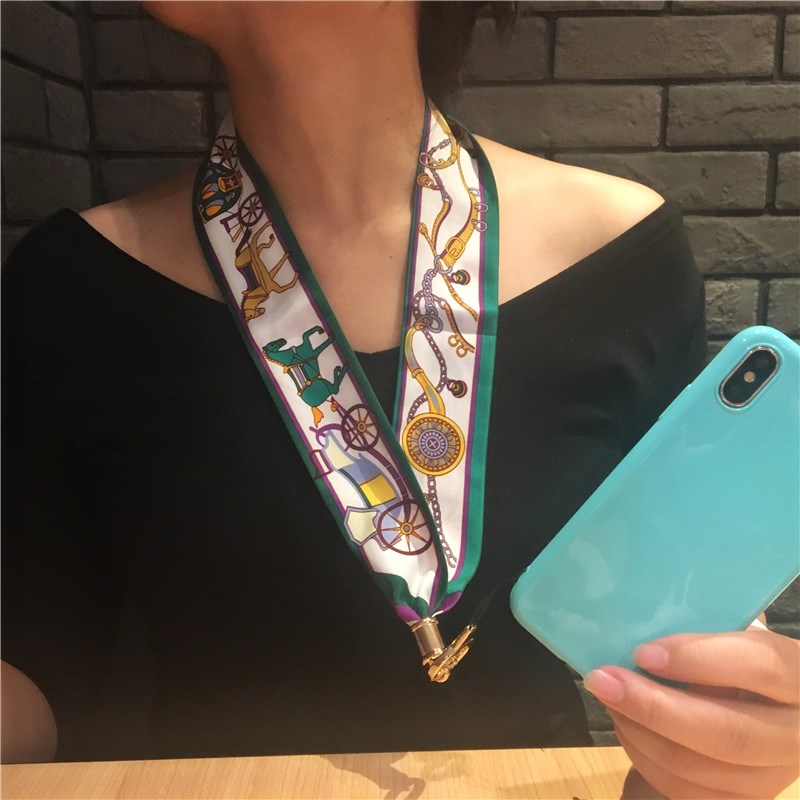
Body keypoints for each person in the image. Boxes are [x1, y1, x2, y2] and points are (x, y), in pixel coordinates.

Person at [2, 2, 797, 797]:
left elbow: (680, 603)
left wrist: (723, 721)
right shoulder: (71, 285)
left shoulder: (624, 257)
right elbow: (35, 652)